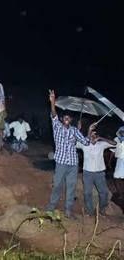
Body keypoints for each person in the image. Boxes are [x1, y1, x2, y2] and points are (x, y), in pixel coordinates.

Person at [46, 89, 93, 219]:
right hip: (61, 163)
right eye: (64, 117)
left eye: (69, 117)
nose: (66, 118)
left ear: (71, 119)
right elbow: (53, 114)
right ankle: (51, 207)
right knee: (57, 186)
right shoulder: (57, 127)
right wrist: (53, 101)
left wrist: (87, 131)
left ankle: (68, 211)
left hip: (73, 164)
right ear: (62, 119)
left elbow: (86, 142)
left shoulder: (74, 131)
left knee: (71, 188)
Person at [77, 131, 116, 216]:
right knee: (87, 193)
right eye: (91, 135)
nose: (93, 137)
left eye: (95, 135)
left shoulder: (101, 144)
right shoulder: (84, 144)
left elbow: (115, 143)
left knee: (104, 192)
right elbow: (75, 142)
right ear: (89, 136)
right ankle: (90, 211)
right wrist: (86, 135)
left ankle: (102, 210)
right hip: (87, 173)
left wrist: (101, 138)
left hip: (99, 173)